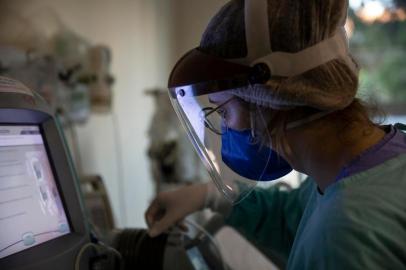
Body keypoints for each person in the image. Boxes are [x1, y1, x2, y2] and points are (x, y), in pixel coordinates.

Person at [145, 0, 406, 269]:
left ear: (269, 102)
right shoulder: (365, 165)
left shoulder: (347, 236)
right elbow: (289, 215)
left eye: (224, 113)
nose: (226, 128)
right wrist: (208, 196)